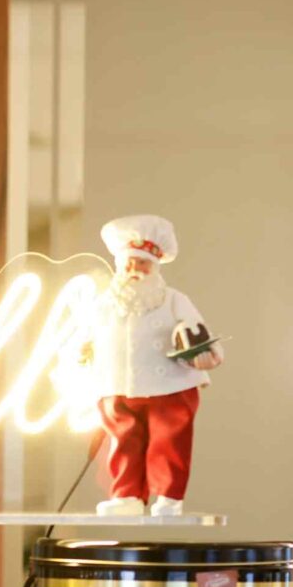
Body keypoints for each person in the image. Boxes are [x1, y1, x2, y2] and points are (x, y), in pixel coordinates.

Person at [82, 213, 225, 517]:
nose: (136, 269)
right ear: (120, 266)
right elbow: (88, 336)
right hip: (117, 385)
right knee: (123, 441)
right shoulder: (104, 304)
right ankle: (127, 496)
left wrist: (206, 353)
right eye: (130, 263)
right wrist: (83, 351)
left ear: (155, 267)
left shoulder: (173, 300)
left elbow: (198, 331)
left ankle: (168, 497)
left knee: (169, 442)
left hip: (169, 385)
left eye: (143, 263)